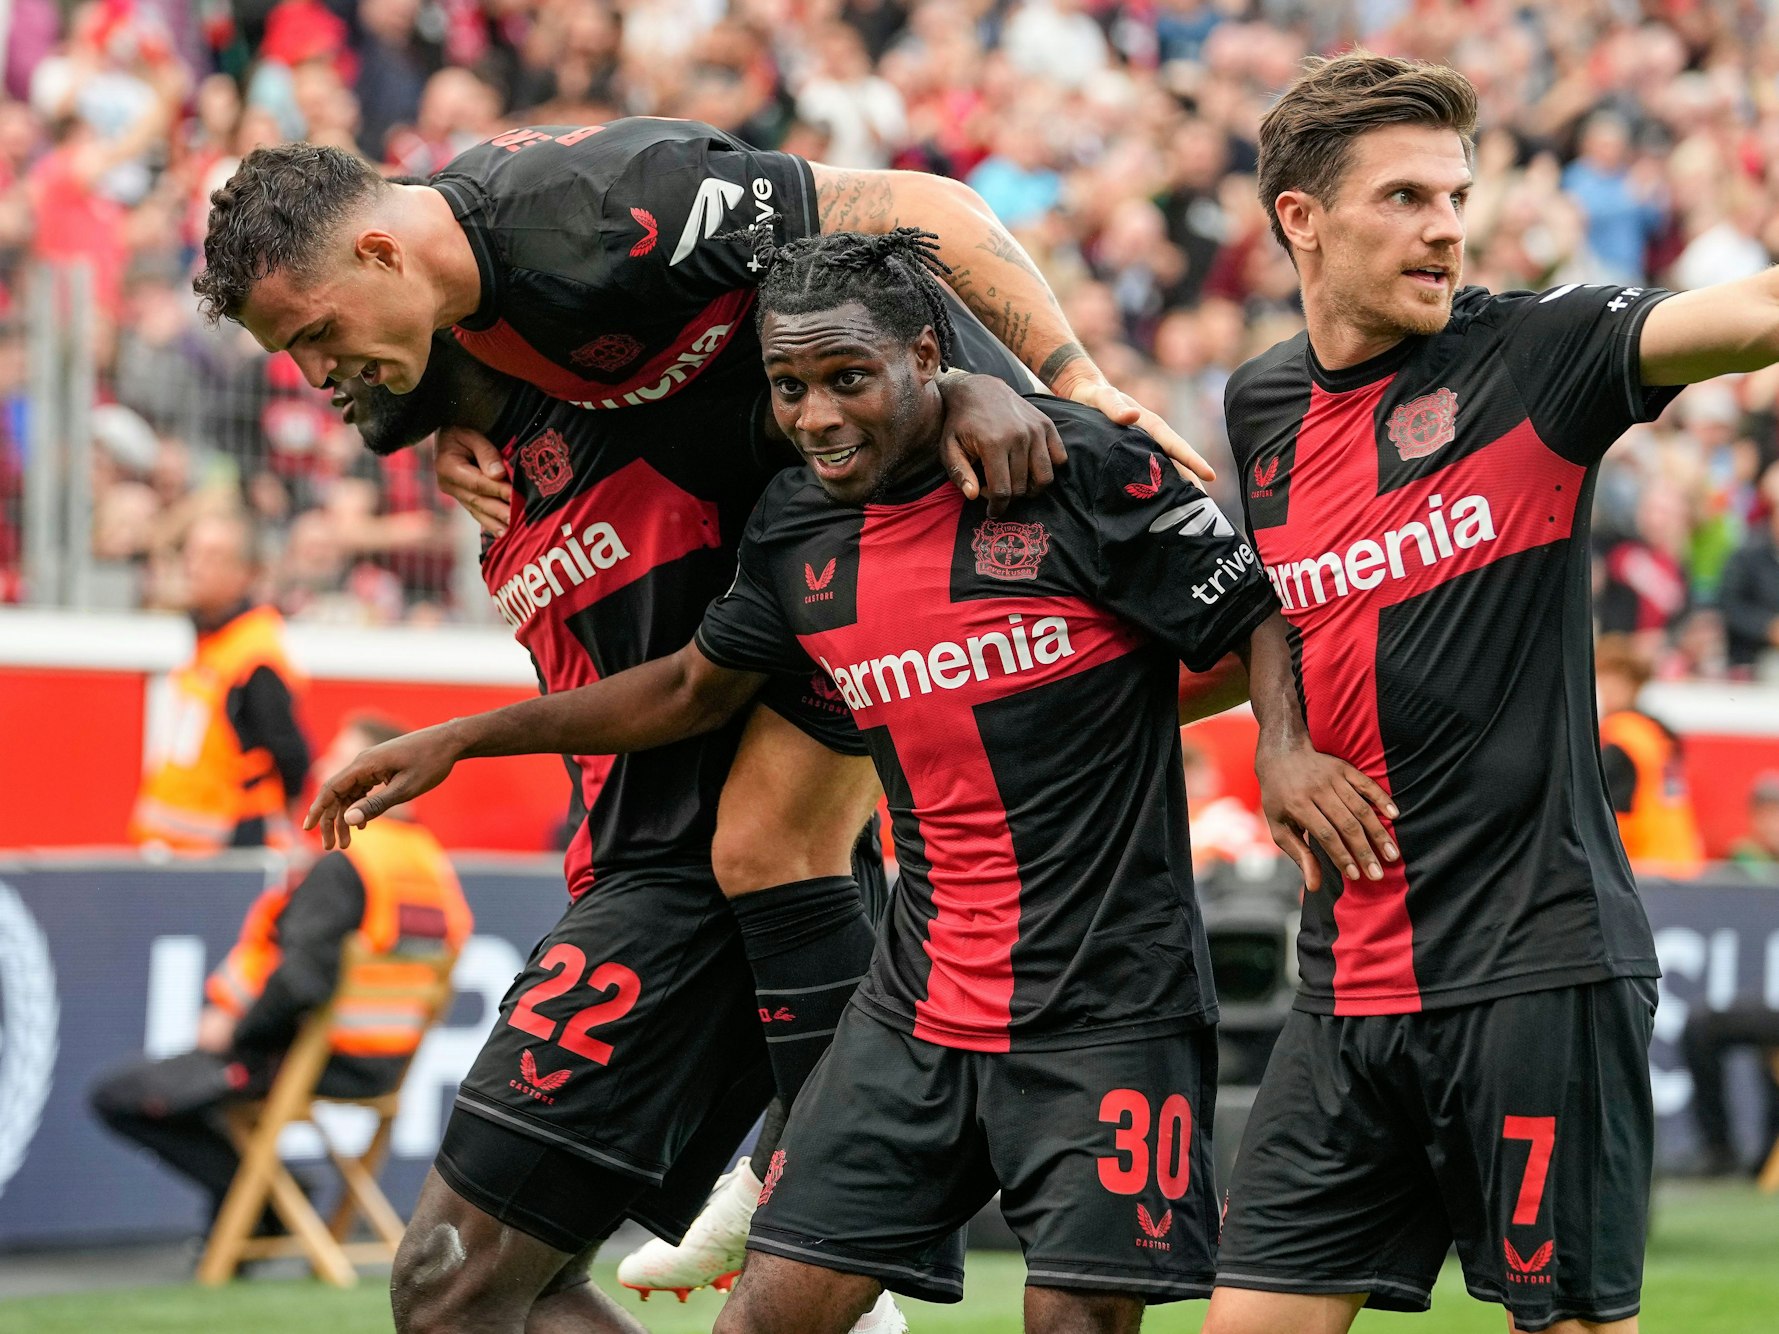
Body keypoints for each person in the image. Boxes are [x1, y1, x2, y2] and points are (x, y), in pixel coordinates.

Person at [308, 228, 1398, 1334]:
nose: (817, 416)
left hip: (1108, 1007)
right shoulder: (797, 525)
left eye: (847, 378)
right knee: (761, 1322)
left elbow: (1258, 608)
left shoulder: (1079, 467)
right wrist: (462, 738)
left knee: (1076, 1323)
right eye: (790, 387)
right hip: (914, 1007)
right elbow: (687, 689)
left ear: (928, 355)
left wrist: (1283, 746)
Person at [193, 119, 1201, 1309]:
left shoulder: (598, 221)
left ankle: (803, 1176)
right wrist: (436, 437)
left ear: (382, 257)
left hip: (898, 546)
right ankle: (806, 1182)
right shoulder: (492, 395)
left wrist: (1025, 386)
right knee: (464, 1281)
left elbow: (913, 218)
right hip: (660, 813)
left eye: (320, 339)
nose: (322, 378)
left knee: (768, 841)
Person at [1207, 50, 1779, 1334]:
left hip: (1536, 967)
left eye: (1456, 196)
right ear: (1301, 217)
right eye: (1405, 196)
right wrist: (1281, 742)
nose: (1447, 227)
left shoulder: (1538, 354)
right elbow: (1278, 597)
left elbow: (1751, 313)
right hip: (1345, 986)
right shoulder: (1261, 402)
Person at [331, 328, 916, 1329]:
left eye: (322, 335)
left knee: (447, 1283)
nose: (319, 376)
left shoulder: (646, 401)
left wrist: (990, 391)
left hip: (702, 889)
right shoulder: (494, 482)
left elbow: (853, 354)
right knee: (513, 1287)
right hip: (648, 879)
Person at [94, 714, 471, 1234]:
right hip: (385, 1066)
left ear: (381, 776)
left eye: (342, 759)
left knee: (120, 1097)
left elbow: (301, 983)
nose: (321, 768)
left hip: (310, 1060)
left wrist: (238, 1034)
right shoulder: (432, 866)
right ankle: (266, 1208)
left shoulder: (348, 861)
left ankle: (270, 1205)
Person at [130, 511, 311, 852]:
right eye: (190, 553)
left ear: (247, 573)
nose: (194, 567)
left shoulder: (254, 656)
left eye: (212, 556)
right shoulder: (213, 644)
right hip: (187, 852)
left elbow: (291, 754)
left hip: (232, 851)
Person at [1595, 634, 1704, 875]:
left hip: (1642, 866)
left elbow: (1605, 809)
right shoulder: (1659, 733)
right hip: (1680, 860)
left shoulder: (1622, 738)